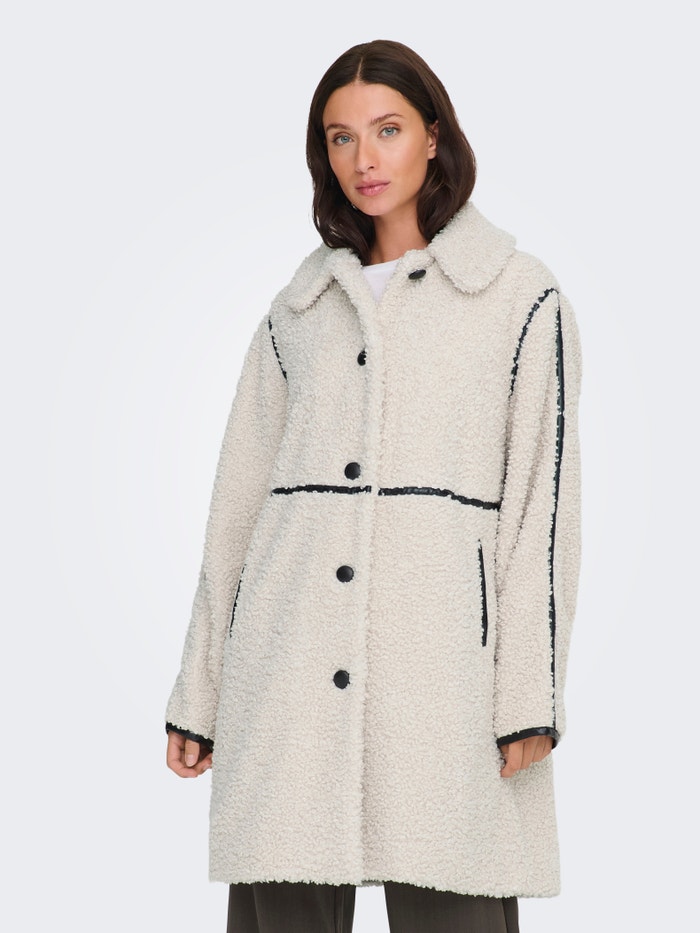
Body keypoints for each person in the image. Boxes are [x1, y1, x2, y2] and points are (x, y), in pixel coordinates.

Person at [165, 39, 582, 933]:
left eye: (387, 130)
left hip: (446, 680)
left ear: (433, 135)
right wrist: (200, 692)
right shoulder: (299, 310)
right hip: (286, 673)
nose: (364, 158)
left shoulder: (518, 298)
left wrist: (529, 697)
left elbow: (542, 512)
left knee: (455, 896)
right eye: (341, 137)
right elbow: (236, 511)